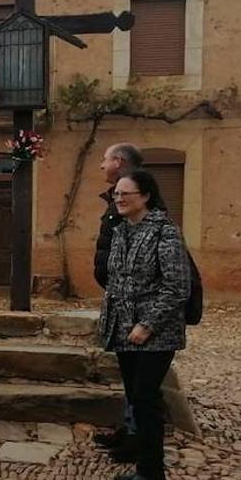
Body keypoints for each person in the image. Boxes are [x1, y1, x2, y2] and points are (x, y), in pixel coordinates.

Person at [100, 170, 189, 480]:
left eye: (126, 194)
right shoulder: (122, 231)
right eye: (117, 194)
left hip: (155, 335)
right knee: (137, 401)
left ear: (146, 196)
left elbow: (177, 286)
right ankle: (145, 466)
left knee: (146, 399)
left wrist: (147, 324)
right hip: (124, 333)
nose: (119, 199)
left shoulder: (164, 232)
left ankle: (152, 475)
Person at [93, 143, 146, 461]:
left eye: (105, 159)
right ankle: (129, 430)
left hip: (135, 303)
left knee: (140, 377)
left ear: (120, 162)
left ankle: (138, 440)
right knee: (129, 371)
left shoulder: (138, 205)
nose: (102, 166)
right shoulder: (117, 200)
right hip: (120, 297)